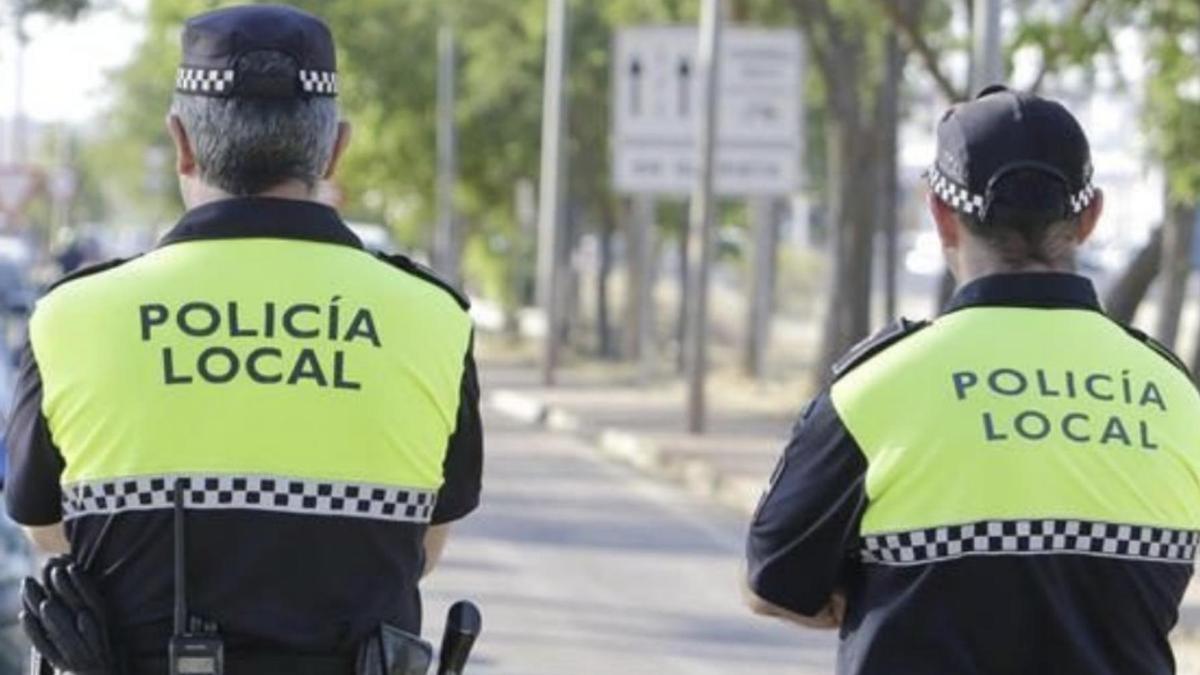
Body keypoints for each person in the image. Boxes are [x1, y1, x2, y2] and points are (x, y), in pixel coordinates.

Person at [4, 5, 482, 674]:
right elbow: (424, 546)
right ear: (335, 148)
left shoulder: (70, 317)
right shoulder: (435, 318)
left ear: (182, 143)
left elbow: (46, 531)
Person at [744, 85, 1200, 674]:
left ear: (940, 213)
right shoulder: (1175, 399)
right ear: (1089, 217)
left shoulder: (875, 390)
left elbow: (771, 582)